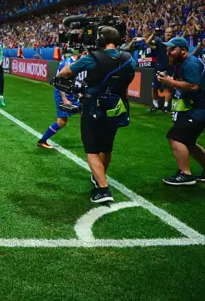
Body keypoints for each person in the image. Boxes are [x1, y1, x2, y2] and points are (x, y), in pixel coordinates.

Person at [58, 26, 135, 203]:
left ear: (100, 40)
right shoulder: (128, 59)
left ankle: (103, 188)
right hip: (116, 106)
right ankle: (100, 177)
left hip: (94, 106)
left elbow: (65, 73)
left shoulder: (92, 58)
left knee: (91, 148)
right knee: (107, 146)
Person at [157, 37, 205, 185]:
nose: (169, 52)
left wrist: (171, 82)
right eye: (167, 49)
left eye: (172, 49)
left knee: (175, 137)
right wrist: (171, 81)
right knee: (188, 142)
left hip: (199, 108)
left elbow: (193, 86)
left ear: (184, 50)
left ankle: (185, 174)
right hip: (197, 107)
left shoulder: (191, 63)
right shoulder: (186, 62)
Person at [37, 48, 85, 148]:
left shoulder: (76, 63)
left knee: (84, 111)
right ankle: (42, 140)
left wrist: (79, 93)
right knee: (62, 121)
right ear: (81, 54)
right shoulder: (67, 64)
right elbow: (59, 82)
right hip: (62, 93)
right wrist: (64, 99)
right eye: (86, 54)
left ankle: (87, 139)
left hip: (70, 93)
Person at [147, 27, 173, 113]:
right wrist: (154, 33)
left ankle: (165, 107)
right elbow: (148, 42)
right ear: (164, 33)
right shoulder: (159, 41)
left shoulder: (174, 43)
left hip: (168, 68)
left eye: (170, 32)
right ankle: (155, 105)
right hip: (158, 68)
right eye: (167, 32)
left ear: (172, 34)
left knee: (167, 89)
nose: (168, 34)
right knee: (154, 88)